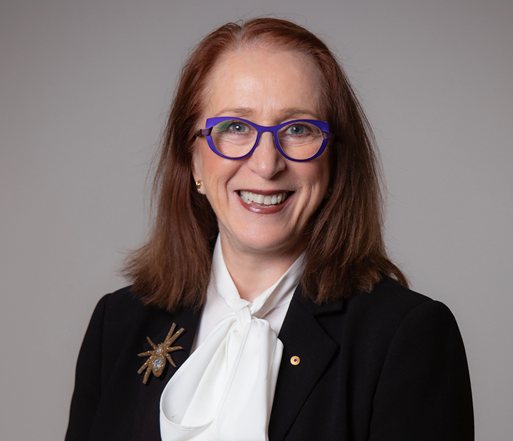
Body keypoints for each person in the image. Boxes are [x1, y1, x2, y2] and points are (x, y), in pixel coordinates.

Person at [65, 18, 473, 441]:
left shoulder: (405, 337)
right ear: (194, 159)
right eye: (236, 127)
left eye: (298, 129)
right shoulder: (117, 323)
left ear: (334, 161)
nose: (266, 164)